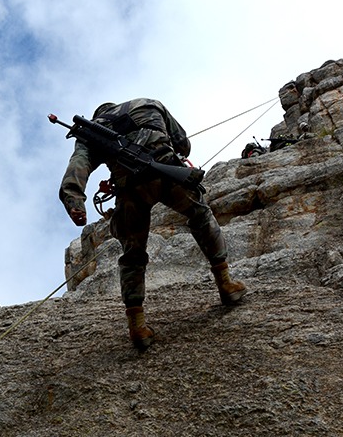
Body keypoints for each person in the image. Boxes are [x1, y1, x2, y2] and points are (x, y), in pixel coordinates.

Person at [58, 98, 247, 350]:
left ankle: (137, 326)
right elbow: (183, 144)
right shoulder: (148, 104)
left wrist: (74, 200)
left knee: (133, 254)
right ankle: (225, 283)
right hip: (167, 170)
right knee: (200, 216)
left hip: (130, 188)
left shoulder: (91, 130)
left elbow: (78, 165)